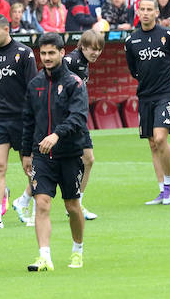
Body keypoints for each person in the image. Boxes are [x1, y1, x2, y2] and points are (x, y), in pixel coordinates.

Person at [21, 32, 89, 272]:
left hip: (69, 155)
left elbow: (78, 117)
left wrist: (57, 135)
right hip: (41, 156)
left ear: (62, 53)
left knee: (72, 206)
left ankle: (77, 250)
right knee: (42, 204)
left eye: (52, 52)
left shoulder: (74, 83)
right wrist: (25, 153)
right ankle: (44, 257)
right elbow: (28, 120)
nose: (47, 57)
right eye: (44, 53)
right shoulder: (34, 85)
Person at [0, 14, 37, 230]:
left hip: (23, 121)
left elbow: (34, 90)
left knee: (30, 168)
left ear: (6, 29)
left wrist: (35, 119)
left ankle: (25, 203)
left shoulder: (24, 53)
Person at [124, 0, 170, 205]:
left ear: (157, 13)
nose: (146, 13)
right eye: (143, 9)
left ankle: (169, 186)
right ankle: (161, 190)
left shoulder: (168, 35)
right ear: (137, 12)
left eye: (150, 9)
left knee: (160, 138)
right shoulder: (131, 41)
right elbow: (134, 70)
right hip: (145, 95)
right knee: (152, 143)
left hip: (166, 93)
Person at [60, 28, 104, 220]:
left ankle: (76, 204)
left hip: (76, 119)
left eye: (99, 49)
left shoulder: (84, 62)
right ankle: (25, 200)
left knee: (88, 159)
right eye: (91, 48)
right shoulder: (71, 61)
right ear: (82, 47)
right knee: (54, 162)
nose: (95, 53)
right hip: (67, 119)